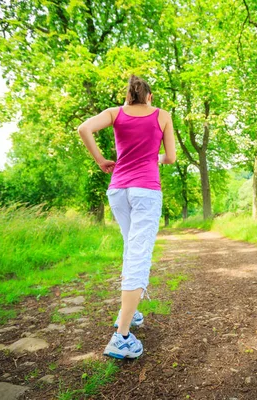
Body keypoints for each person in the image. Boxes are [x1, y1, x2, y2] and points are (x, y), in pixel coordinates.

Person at [77, 75, 176, 359]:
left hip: (118, 189)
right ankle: (121, 339)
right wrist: (154, 158)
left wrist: (100, 160)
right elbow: (170, 157)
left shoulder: (114, 113)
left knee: (130, 249)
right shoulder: (162, 116)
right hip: (145, 190)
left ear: (127, 97)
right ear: (149, 97)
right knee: (139, 255)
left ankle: (127, 313)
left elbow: (84, 129)